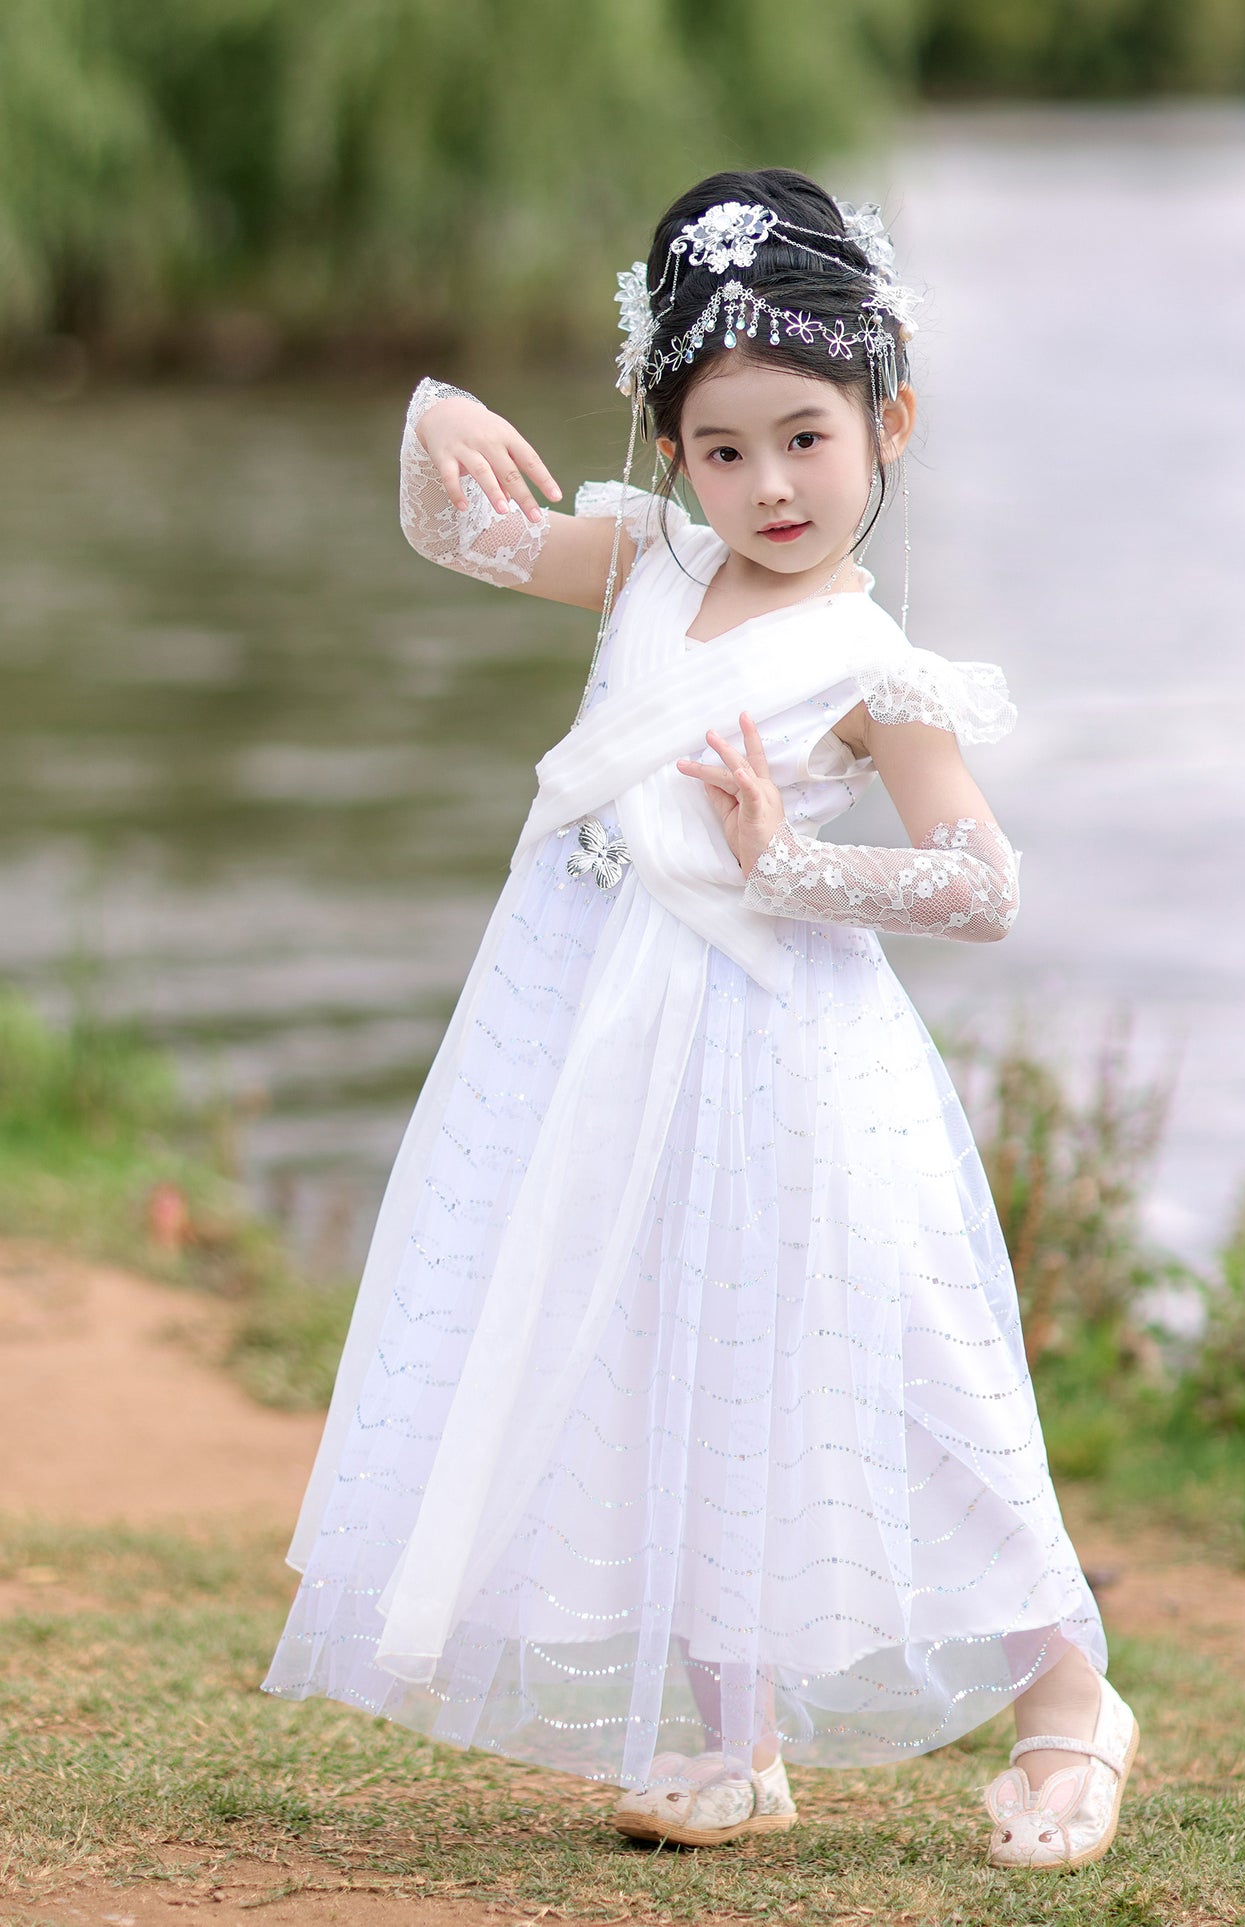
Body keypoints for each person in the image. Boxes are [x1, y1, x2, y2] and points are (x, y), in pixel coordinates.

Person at [262, 167, 1140, 1872]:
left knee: (896, 1365)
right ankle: (734, 1742)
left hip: (784, 1048)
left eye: (806, 438)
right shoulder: (644, 565)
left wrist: (788, 860)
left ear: (888, 420)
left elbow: (981, 885)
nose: (770, 485)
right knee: (675, 1347)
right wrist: (436, 415)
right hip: (597, 1031)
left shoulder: (873, 667)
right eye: (722, 450)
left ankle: (1066, 1696)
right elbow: (459, 533)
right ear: (670, 453)